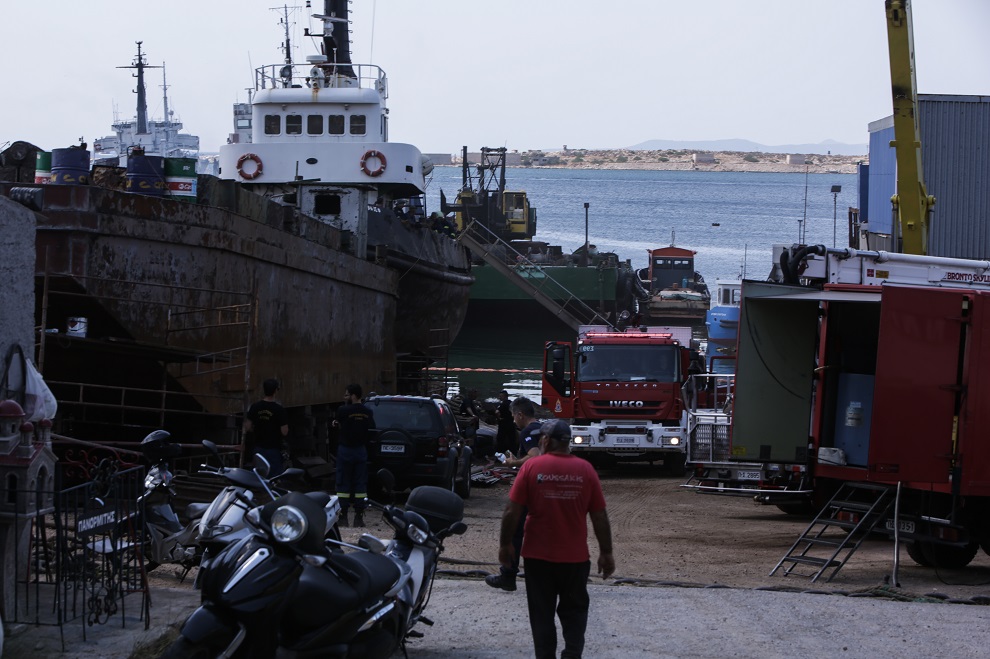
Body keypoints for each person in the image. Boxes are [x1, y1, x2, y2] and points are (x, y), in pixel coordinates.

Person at [497, 419, 614, 659]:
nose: (540, 441)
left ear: (547, 440)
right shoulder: (586, 470)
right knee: (575, 611)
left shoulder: (531, 468)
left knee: (541, 614)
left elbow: (512, 511)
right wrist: (606, 552)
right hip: (575, 559)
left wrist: (505, 544)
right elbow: (599, 516)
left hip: (537, 558)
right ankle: (572, 654)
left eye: (541, 438)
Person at [486, 396, 543, 592]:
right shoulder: (544, 429)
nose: (512, 420)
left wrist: (513, 463)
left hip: (530, 488)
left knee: (514, 530)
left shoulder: (527, 431)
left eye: (512, 416)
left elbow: (534, 457)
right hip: (546, 487)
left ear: (520, 414)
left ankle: (508, 576)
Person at [332, 383, 375, 527]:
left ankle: (343, 516)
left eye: (347, 394)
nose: (345, 397)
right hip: (360, 450)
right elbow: (371, 428)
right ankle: (358, 517)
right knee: (360, 483)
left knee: (343, 482)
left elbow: (338, 424)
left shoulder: (343, 410)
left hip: (346, 450)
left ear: (353, 396)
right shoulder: (368, 412)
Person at [243, 378, 289, 476]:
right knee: (274, 478)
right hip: (273, 449)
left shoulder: (255, 407)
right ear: (276, 391)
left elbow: (247, 427)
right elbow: (284, 431)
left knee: (258, 476)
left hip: (258, 447)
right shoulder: (279, 410)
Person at [494, 390, 516, 454]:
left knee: (500, 439)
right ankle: (514, 454)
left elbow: (497, 412)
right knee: (512, 439)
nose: (499, 397)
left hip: (503, 423)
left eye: (501, 396)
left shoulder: (502, 404)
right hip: (511, 423)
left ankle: (499, 454)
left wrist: (498, 417)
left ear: (505, 396)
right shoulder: (512, 403)